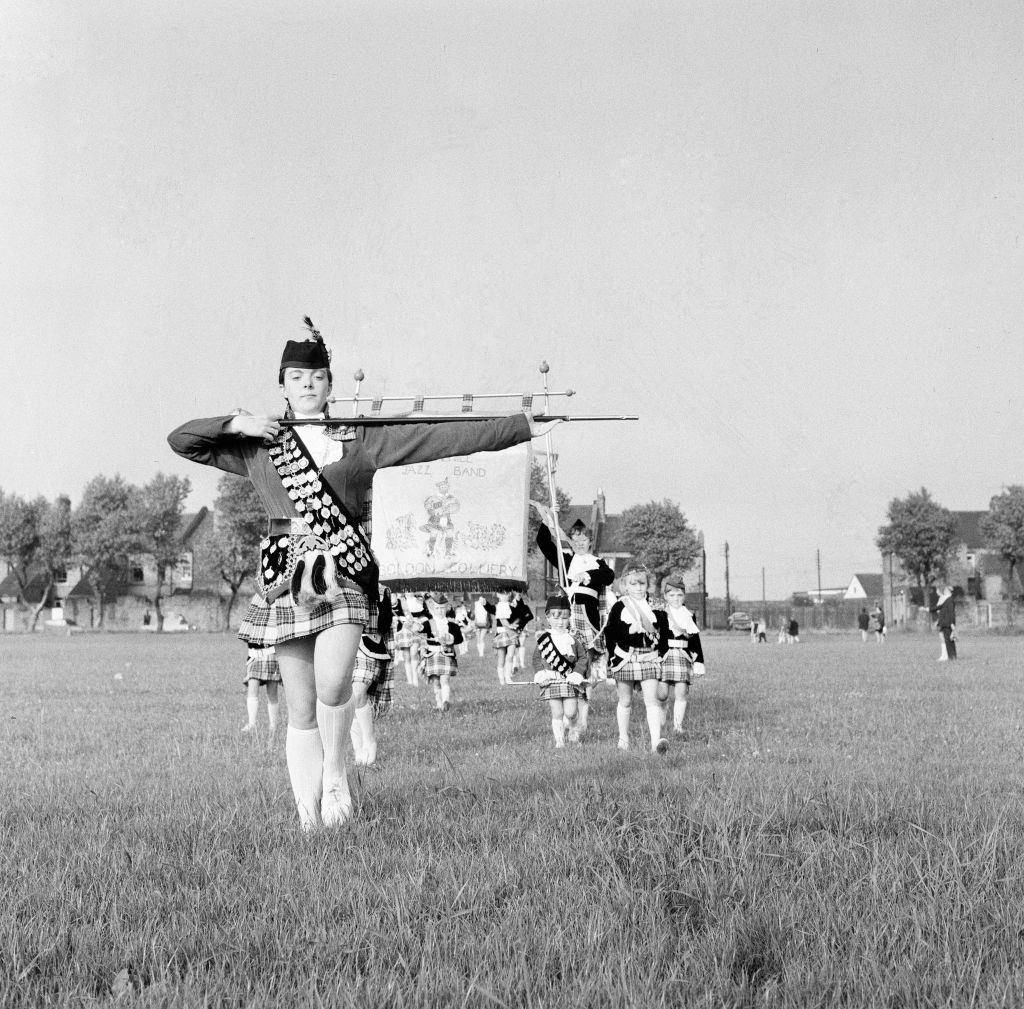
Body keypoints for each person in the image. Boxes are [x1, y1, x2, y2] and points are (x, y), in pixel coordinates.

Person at [168, 324, 555, 830]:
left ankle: (335, 775)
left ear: (330, 386)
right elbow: (183, 441)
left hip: (345, 571)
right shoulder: (258, 446)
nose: (307, 385)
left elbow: (438, 437)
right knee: (300, 704)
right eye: (297, 377)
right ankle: (308, 814)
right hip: (285, 577)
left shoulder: (359, 438)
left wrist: (518, 426)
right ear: (282, 385)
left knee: (333, 685)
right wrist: (237, 423)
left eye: (317, 377)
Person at [604, 564, 669, 754]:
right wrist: (626, 633)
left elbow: (664, 633)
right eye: (633, 584)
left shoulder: (656, 606)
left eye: (642, 583)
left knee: (652, 701)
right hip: (626, 658)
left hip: (649, 657)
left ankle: (655, 742)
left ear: (648, 584)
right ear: (625, 585)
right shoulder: (619, 606)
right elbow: (610, 633)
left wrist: (661, 654)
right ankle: (623, 738)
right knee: (625, 700)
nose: (638, 588)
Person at [532, 592, 591, 748]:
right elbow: (536, 659)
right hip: (551, 681)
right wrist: (541, 674)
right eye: (556, 617)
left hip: (569, 680)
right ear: (548, 618)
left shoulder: (573, 639)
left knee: (571, 712)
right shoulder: (544, 639)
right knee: (557, 712)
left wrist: (577, 673)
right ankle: (559, 741)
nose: (560, 622)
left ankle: (573, 729)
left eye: (564, 618)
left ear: (569, 618)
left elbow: (583, 658)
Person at [657, 572, 705, 736]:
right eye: (672, 595)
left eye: (679, 595)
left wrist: (699, 661)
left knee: (681, 692)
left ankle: (677, 726)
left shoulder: (689, 615)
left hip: (683, 656)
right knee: (661, 694)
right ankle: (661, 721)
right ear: (665, 596)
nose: (676, 598)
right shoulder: (661, 614)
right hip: (664, 656)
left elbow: (695, 640)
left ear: (684, 596)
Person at [419, 594, 462, 710]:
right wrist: (415, 627)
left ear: (447, 608)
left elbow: (459, 639)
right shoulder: (427, 624)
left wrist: (451, 638)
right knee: (436, 682)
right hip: (432, 656)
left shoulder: (452, 625)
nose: (440, 611)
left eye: (442, 608)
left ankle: (445, 701)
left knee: (445, 679)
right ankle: (439, 703)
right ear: (432, 609)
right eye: (437, 608)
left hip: (446, 655)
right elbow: (420, 633)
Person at [242, 645, 281, 735]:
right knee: (252, 689)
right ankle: (252, 724)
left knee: (272, 693)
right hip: (254, 655)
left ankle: (273, 726)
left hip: (271, 655)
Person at [508, 589, 534, 674]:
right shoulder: (511, 605)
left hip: (522, 628)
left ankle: (521, 663)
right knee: (514, 646)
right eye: (517, 594)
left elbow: (530, 616)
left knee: (521, 645)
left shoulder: (524, 606)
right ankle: (515, 664)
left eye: (519, 594)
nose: (518, 595)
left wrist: (522, 621)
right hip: (512, 628)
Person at [929, 585, 957, 661]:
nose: (944, 591)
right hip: (945, 622)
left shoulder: (950, 600)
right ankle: (951, 656)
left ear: (948, 591)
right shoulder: (948, 599)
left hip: (947, 623)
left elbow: (951, 613)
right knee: (948, 640)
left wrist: (952, 624)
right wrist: (928, 609)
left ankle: (952, 657)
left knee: (949, 640)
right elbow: (938, 607)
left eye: (945, 590)